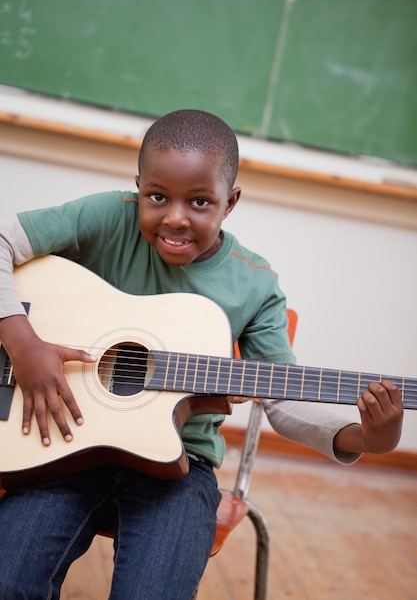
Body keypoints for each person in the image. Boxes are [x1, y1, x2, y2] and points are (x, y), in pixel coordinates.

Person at [0, 110, 403, 599]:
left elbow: (283, 398)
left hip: (178, 466)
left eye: (199, 202)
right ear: (137, 186)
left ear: (229, 203)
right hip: (62, 441)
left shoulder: (254, 284)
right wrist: (22, 343)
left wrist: (365, 435)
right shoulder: (108, 215)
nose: (175, 217)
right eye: (157, 197)